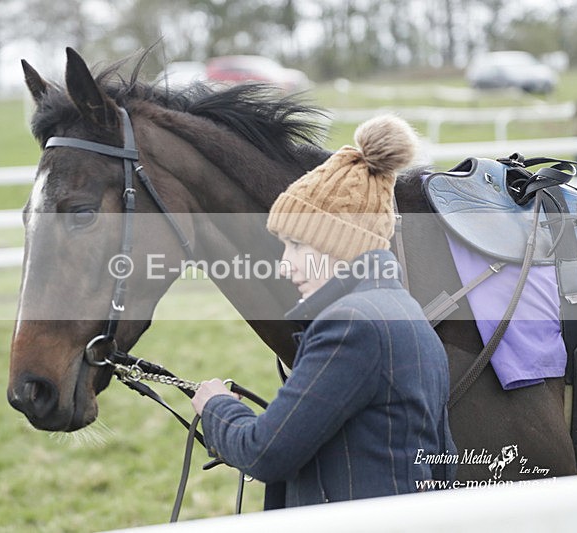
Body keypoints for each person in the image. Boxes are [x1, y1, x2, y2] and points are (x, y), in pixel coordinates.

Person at [191, 114, 456, 508]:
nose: (285, 265)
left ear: (340, 244)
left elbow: (263, 453)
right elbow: (443, 463)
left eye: (297, 245)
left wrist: (215, 406)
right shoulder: (406, 313)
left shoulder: (350, 326)